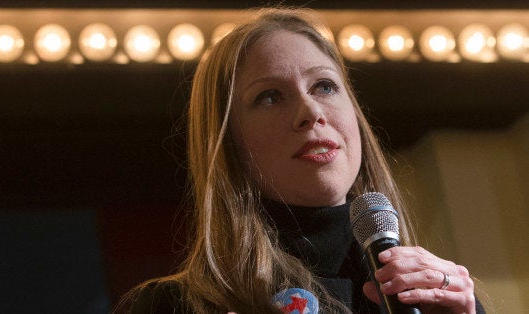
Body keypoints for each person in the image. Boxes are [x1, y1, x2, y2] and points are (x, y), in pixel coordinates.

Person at [119, 8, 483, 314]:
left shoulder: (435, 300)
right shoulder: (172, 305)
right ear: (229, 144)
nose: (310, 112)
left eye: (324, 86)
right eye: (270, 97)